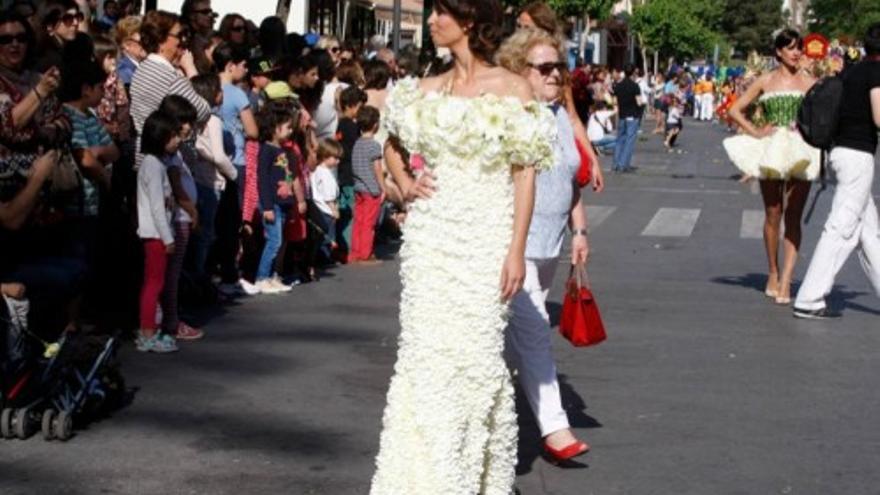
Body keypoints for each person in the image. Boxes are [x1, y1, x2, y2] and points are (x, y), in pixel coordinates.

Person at [371, 0, 555, 492]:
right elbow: (387, 136)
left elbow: (524, 175)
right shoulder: (424, 90)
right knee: (425, 357)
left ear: (469, 21)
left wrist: (516, 250)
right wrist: (405, 181)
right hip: (432, 241)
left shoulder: (512, 90)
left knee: (475, 357)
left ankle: (469, 475)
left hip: (485, 241)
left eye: (440, 13)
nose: (430, 21)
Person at [496, 27, 591, 463]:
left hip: (551, 242)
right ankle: (555, 429)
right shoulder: (508, 116)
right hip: (516, 241)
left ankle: (487, 398)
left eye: (560, 67)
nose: (556, 75)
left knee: (513, 340)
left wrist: (580, 231)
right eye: (545, 68)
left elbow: (571, 178)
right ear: (520, 71)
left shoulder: (559, 116)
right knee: (534, 334)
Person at [724, 30, 819, 305]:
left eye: (799, 48)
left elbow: (825, 112)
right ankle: (773, 271)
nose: (796, 53)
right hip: (772, 149)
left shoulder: (810, 83)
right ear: (778, 52)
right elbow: (734, 110)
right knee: (773, 212)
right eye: (790, 48)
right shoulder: (765, 81)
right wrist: (756, 132)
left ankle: (788, 279)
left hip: (803, 149)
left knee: (794, 215)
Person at [793, 23, 880, 319]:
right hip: (858, 156)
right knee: (840, 229)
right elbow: (879, 116)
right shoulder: (875, 74)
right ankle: (810, 297)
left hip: (839, 152)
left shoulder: (851, 72)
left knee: (869, 233)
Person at [129, 10, 211, 169]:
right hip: (165, 164)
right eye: (179, 35)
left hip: (144, 157)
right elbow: (203, 111)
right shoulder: (168, 77)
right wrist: (191, 69)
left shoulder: (142, 68)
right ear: (161, 39)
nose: (183, 40)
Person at [156, 95, 203, 341]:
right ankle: (171, 321)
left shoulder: (177, 151)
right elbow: (177, 186)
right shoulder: (169, 153)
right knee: (171, 273)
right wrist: (192, 210)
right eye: (183, 121)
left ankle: (170, 317)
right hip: (179, 217)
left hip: (181, 216)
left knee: (173, 271)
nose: (187, 127)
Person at [136, 111, 181, 353]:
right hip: (155, 235)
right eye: (173, 136)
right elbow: (156, 206)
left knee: (155, 282)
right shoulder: (152, 165)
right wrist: (168, 237)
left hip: (157, 233)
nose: (177, 140)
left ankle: (150, 328)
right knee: (154, 283)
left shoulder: (156, 164)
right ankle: (147, 332)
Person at [189, 73, 238, 279]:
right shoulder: (213, 121)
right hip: (210, 182)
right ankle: (200, 277)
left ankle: (195, 276)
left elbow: (199, 148)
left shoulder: (193, 121)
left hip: (194, 180)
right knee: (206, 234)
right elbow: (219, 156)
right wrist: (234, 174)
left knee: (195, 232)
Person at [254, 102, 296, 294]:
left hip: (283, 202)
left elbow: (287, 174)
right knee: (274, 241)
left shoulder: (281, 150)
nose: (291, 130)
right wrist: (268, 206)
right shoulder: (267, 150)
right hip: (272, 204)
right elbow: (262, 178)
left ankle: (272, 276)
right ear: (274, 127)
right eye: (287, 127)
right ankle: (262, 277)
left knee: (278, 241)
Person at [348, 105, 384, 264]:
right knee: (369, 224)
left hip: (358, 188)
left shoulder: (357, 144)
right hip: (371, 189)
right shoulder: (374, 145)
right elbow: (377, 169)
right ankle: (365, 254)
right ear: (376, 125)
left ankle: (355, 253)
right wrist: (383, 187)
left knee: (359, 221)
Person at [335, 85, 367, 257]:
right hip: (350, 175)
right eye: (360, 107)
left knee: (345, 212)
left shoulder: (340, 124)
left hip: (343, 174)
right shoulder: (351, 127)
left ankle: (344, 247)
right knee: (351, 214)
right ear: (351, 105)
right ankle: (349, 249)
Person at [308, 138, 342, 266]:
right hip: (326, 209)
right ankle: (324, 259)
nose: (337, 161)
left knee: (321, 235)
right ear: (326, 156)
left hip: (318, 207)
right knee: (328, 236)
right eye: (335, 158)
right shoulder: (325, 173)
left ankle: (321, 258)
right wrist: (334, 210)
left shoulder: (316, 170)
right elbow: (329, 196)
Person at [611, 63, 643, 173]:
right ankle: (623, 164)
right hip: (632, 115)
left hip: (622, 115)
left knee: (619, 140)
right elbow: (639, 102)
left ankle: (616, 163)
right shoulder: (635, 86)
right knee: (629, 141)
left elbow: (614, 102)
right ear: (633, 72)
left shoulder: (618, 86)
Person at [112, 15, 145, 89]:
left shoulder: (140, 65)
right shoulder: (124, 71)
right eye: (142, 41)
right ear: (126, 45)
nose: (146, 44)